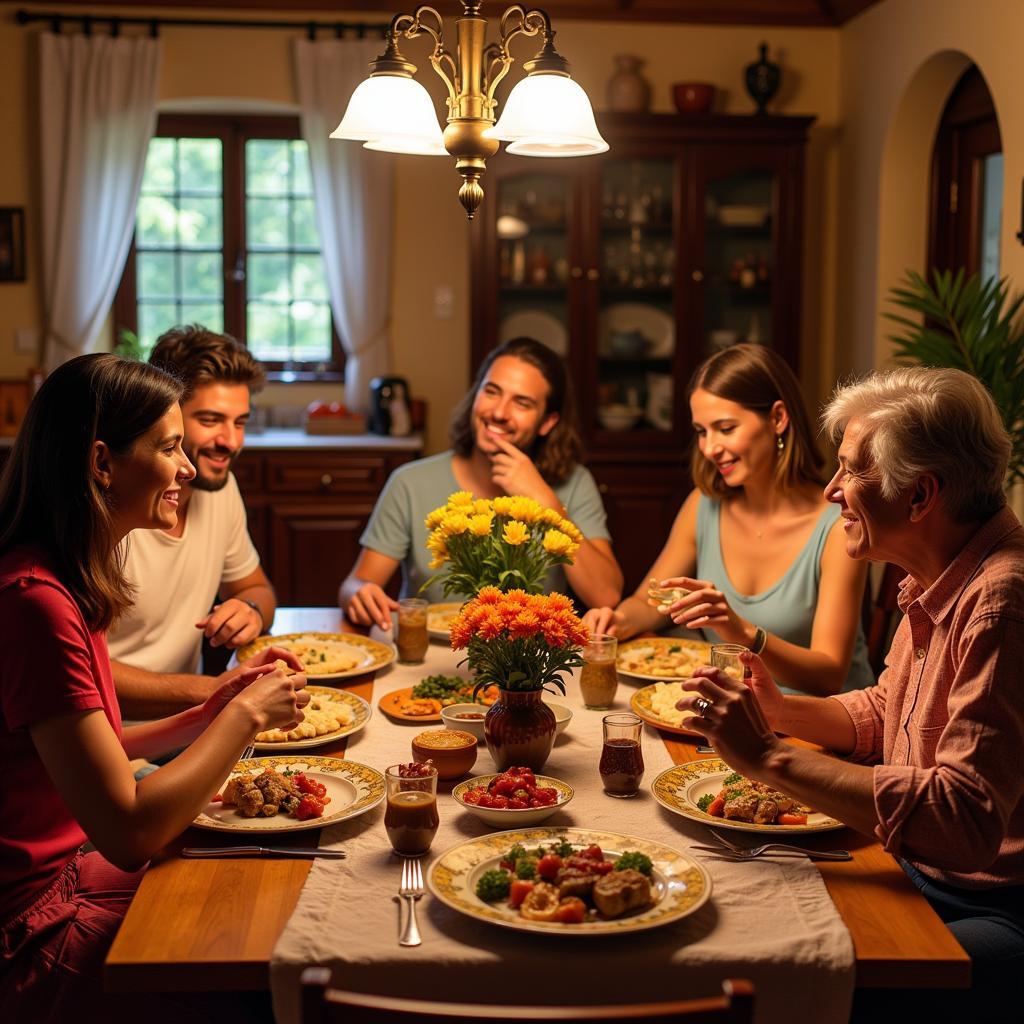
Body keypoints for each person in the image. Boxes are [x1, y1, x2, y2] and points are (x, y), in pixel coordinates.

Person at [678, 366, 1024, 1020]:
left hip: (990, 907)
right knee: (730, 903)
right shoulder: (937, 571)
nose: (832, 490)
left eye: (849, 472)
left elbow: (966, 822)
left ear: (919, 495)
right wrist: (781, 712)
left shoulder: (1001, 602)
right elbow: (883, 709)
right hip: (915, 870)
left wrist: (769, 757)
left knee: (788, 982)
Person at [0, 353, 308, 1023]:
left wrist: (211, 708)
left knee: (269, 891)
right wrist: (243, 718)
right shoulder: (36, 604)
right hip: (33, 923)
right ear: (102, 462)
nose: (189, 466)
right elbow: (128, 830)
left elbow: (100, 758)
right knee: (260, 971)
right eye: (170, 446)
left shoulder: (67, 579)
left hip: (74, 868)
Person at [584, 344, 872, 695]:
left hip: (824, 728)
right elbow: (651, 601)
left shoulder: (838, 525)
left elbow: (828, 675)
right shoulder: (703, 506)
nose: (709, 448)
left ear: (777, 419)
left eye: (725, 428)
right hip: (737, 714)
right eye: (702, 431)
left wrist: (743, 634)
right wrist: (616, 621)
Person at [340, 337, 624, 628]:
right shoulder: (409, 483)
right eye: (491, 392)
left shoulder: (575, 483)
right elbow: (355, 584)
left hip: (532, 664)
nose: (499, 413)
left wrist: (547, 504)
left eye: (522, 403)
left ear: (547, 422)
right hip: (432, 659)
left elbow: (606, 595)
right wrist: (359, 593)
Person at [107, 325, 276, 718]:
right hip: (112, 736)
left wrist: (249, 608)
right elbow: (75, 670)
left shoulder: (222, 488)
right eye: (211, 419)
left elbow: (257, 588)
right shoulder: (111, 510)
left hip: (186, 723)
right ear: (163, 415)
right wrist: (210, 689)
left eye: (240, 422)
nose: (231, 442)